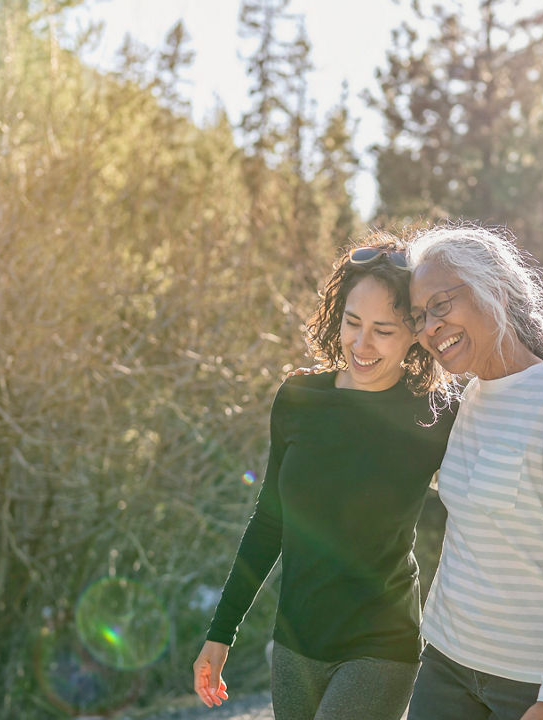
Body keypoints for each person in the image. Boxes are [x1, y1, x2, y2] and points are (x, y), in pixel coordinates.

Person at [192, 236, 456, 720]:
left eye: (384, 330)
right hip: (295, 643)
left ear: (415, 334)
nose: (361, 344)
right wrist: (220, 633)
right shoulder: (298, 399)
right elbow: (270, 521)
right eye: (352, 323)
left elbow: (500, 466)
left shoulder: (434, 415)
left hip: (381, 644)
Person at [403, 224, 543, 720]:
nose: (429, 327)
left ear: (494, 289)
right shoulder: (469, 399)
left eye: (442, 305)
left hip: (533, 685)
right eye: (418, 316)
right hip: (445, 666)